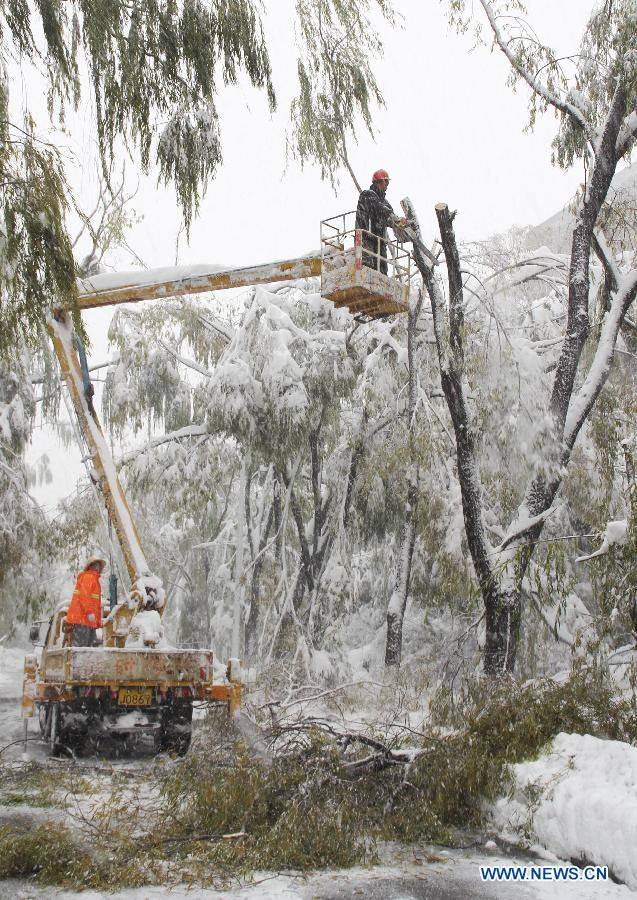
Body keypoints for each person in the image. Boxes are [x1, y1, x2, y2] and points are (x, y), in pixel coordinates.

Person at [355, 169, 407, 275]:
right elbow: (380, 208)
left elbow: (389, 217)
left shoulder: (384, 202)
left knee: (382, 272)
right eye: (386, 182)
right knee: (367, 268)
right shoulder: (367, 195)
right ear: (378, 181)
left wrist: (401, 224)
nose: (387, 185)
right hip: (366, 238)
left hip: (380, 243)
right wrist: (394, 217)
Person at [65, 555, 106, 647]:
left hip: (86, 621)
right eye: (95, 565)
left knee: (88, 650)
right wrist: (90, 612)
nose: (97, 567)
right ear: (90, 566)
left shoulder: (93, 579)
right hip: (82, 620)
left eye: (98, 565)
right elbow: (85, 596)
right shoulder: (89, 577)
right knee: (82, 649)